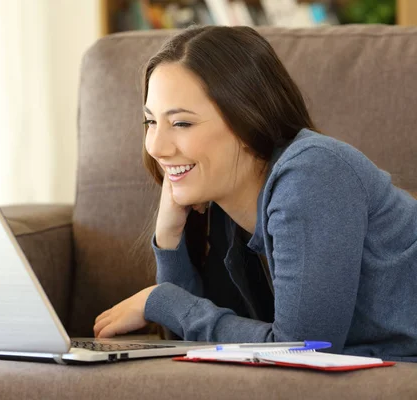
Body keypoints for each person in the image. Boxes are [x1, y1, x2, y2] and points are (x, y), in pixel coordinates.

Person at [92, 26, 417, 362]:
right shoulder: (228, 200)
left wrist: (162, 301)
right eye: (150, 122)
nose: (157, 147)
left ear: (247, 122)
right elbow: (202, 344)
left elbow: (304, 351)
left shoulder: (313, 173)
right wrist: (169, 237)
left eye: (182, 123)